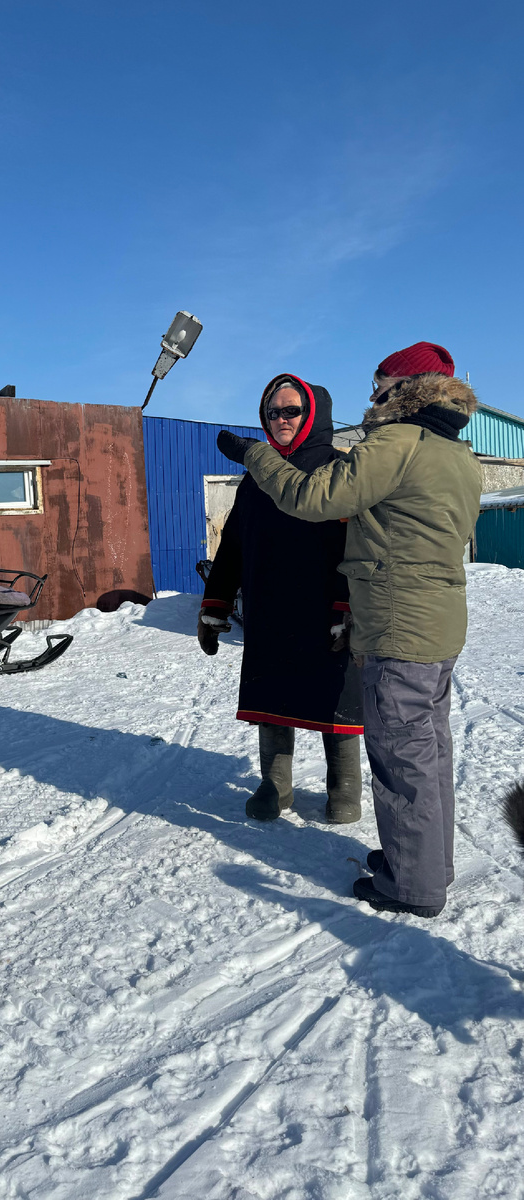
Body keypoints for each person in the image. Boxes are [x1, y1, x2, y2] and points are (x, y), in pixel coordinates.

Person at [217, 342, 482, 918]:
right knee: (429, 752)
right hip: (436, 618)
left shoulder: (399, 441)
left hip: (397, 622)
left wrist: (256, 455)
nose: (372, 395)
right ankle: (428, 864)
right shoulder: (454, 450)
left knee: (402, 759)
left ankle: (410, 886)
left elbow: (312, 497)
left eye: (380, 383)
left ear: (407, 388)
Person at [198, 375, 363, 823]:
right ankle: (275, 785)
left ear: (313, 414)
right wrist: (214, 607)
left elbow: (358, 546)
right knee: (271, 700)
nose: (281, 419)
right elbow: (232, 545)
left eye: (291, 411)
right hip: (270, 610)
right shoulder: (255, 480)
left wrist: (347, 608)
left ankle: (344, 789)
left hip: (327, 608)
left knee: (336, 698)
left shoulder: (340, 470)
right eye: (273, 412)